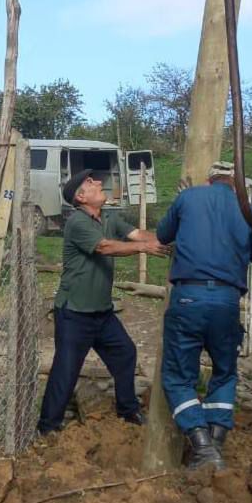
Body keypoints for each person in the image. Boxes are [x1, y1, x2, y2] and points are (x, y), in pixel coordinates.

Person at [37, 169, 167, 435]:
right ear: (81, 196)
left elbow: (138, 235)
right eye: (90, 182)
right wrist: (144, 249)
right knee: (66, 370)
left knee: (125, 353)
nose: (98, 182)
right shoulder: (77, 222)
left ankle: (128, 411)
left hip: (102, 314)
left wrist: (167, 239)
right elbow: (105, 247)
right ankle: (48, 428)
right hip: (74, 313)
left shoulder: (108, 217)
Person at [156, 161, 252, 470]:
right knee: (225, 371)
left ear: (209, 180)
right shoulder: (249, 210)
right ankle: (215, 442)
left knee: (178, 376)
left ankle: (202, 447)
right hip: (227, 302)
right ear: (236, 183)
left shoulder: (188, 197)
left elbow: (163, 235)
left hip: (188, 298)